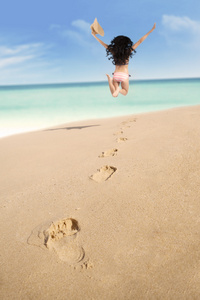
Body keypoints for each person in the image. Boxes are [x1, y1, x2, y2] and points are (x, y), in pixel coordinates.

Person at [91, 23, 156, 97]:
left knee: (114, 94)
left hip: (116, 75)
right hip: (124, 75)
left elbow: (103, 44)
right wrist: (151, 30)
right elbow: (140, 41)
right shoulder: (128, 51)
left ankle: (110, 80)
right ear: (126, 43)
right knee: (124, 92)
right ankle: (118, 89)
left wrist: (94, 36)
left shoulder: (113, 51)